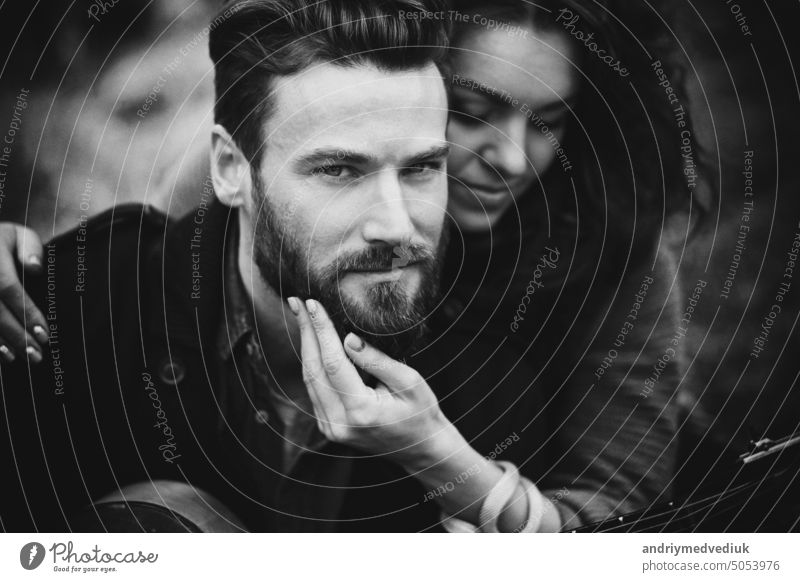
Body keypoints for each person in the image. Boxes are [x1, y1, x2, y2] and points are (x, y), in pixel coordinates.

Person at [0, 0, 697, 532]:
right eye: (339, 169)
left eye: (423, 166)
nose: (511, 157)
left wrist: (455, 471)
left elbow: (626, 515)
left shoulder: (531, 343)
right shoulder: (154, 262)